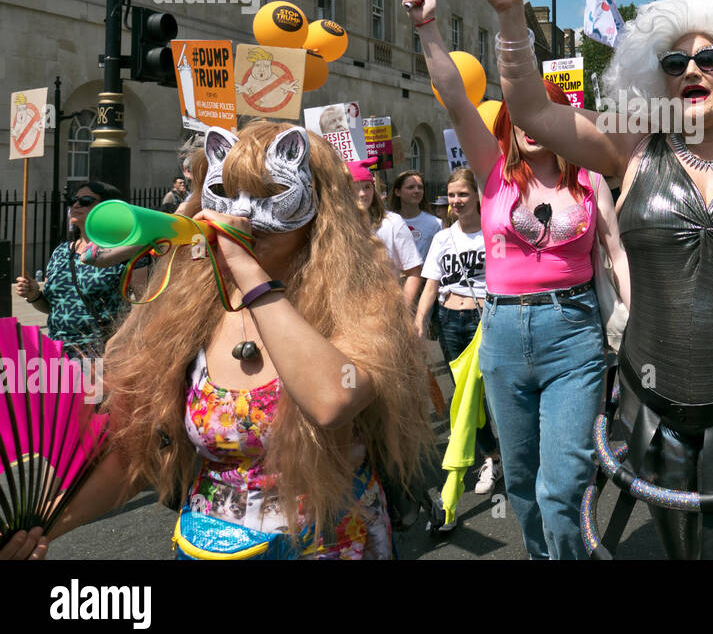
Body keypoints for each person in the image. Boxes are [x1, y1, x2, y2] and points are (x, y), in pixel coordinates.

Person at [463, 0, 713, 560]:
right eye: (675, 61)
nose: (692, 68)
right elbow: (532, 111)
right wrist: (510, 19)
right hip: (653, 404)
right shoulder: (629, 150)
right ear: (659, 79)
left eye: (709, 57)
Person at [4, 121, 431, 560]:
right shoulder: (187, 309)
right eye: (227, 191)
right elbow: (134, 454)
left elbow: (331, 400)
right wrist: (41, 530)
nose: (243, 213)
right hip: (210, 546)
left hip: (327, 544)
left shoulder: (361, 299)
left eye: (268, 192)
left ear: (320, 205)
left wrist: (249, 274)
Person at [404, 0, 629, 560]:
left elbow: (616, 253)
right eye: (520, 118)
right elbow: (454, 97)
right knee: (524, 483)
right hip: (501, 334)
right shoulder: (492, 176)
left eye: (542, 114)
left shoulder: (590, 179)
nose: (529, 125)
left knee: (564, 486)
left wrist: (633, 322)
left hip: (572, 332)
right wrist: (427, 28)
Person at [412, 166, 499, 502]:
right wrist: (420, 319)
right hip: (451, 321)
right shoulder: (443, 238)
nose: (456, 201)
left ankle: (507, 455)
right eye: (451, 196)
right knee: (465, 395)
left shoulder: (493, 232)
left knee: (491, 393)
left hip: (485, 320)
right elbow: (431, 283)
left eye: (463, 194)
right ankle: (489, 457)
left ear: (477, 196)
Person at [15, 181, 138, 360]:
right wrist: (34, 295)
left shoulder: (122, 253)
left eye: (86, 200)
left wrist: (117, 348)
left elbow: (144, 306)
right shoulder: (61, 252)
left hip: (102, 355)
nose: (76, 205)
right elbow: (53, 308)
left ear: (106, 208)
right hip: (59, 354)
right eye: (73, 200)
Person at [352, 160, 423, 306]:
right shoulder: (336, 225)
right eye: (354, 188)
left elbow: (414, 272)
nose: (363, 194)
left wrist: (401, 310)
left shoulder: (393, 223)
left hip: (385, 311)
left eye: (367, 187)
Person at [389, 169, 442, 263]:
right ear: (397, 192)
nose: (417, 191)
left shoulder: (435, 224)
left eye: (420, 187)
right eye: (411, 187)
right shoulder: (388, 222)